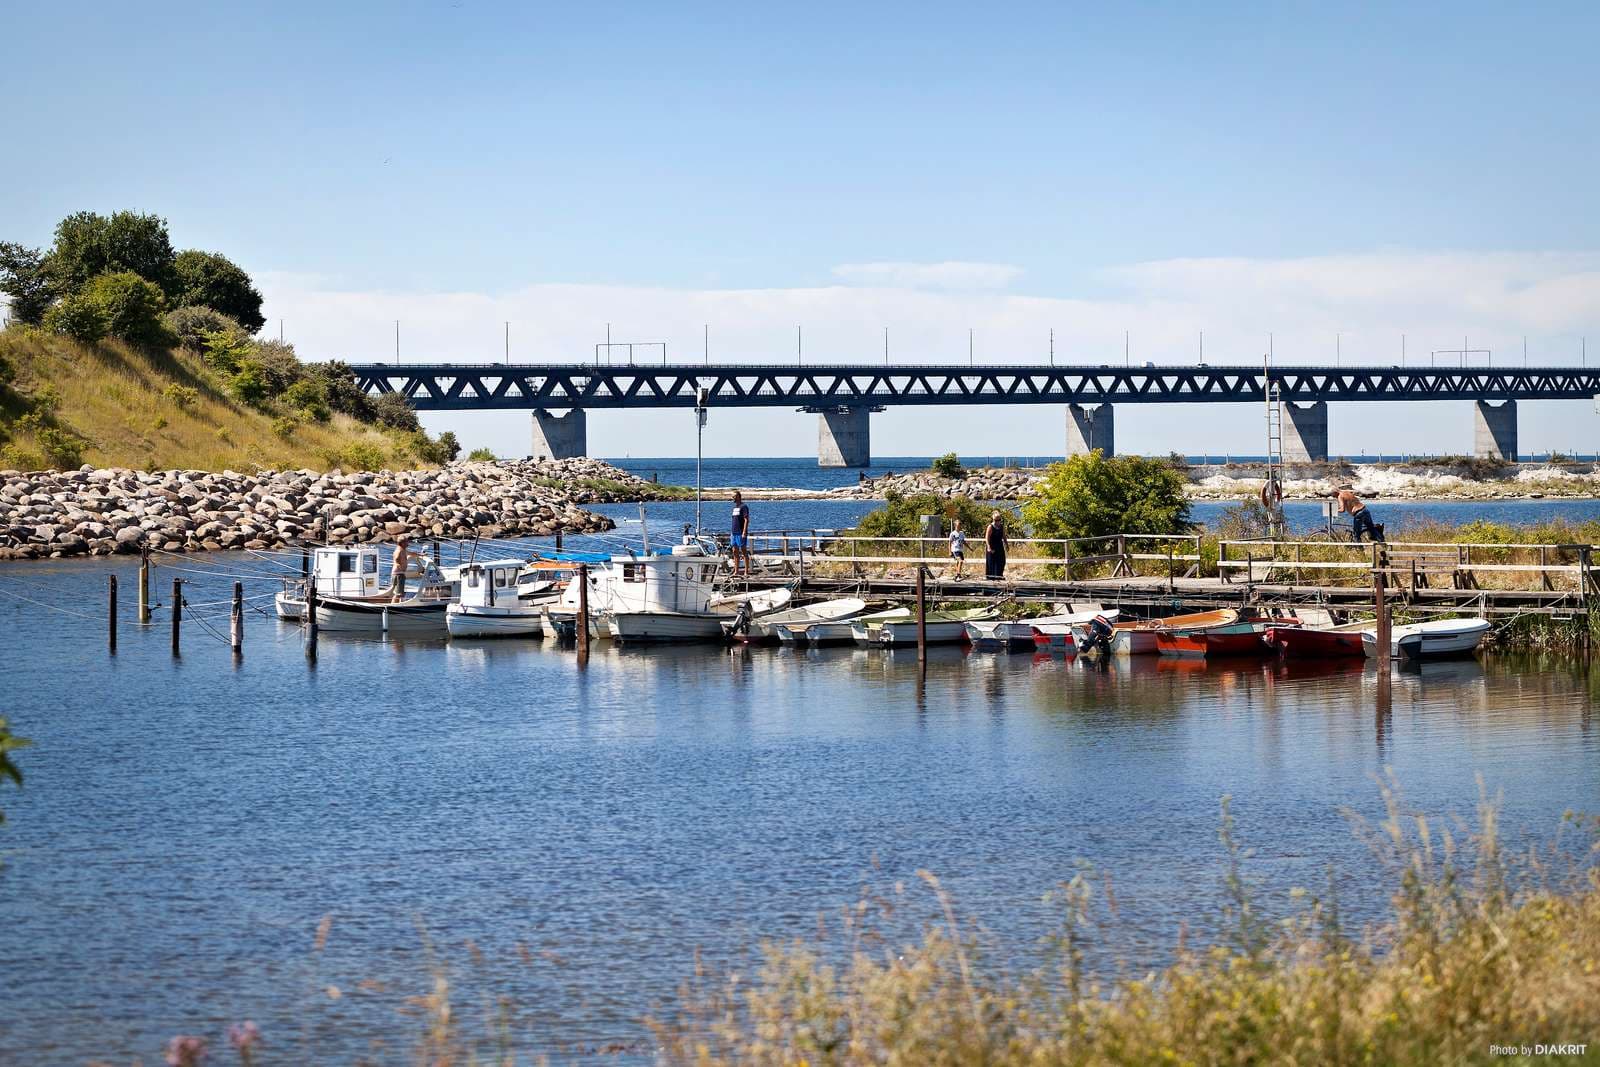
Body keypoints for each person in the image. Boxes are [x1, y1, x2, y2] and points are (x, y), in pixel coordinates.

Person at [729, 491, 752, 577]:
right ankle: (736, 571)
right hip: (734, 532)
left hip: (740, 532)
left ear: (738, 496)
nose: (732, 498)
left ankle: (746, 571)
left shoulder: (744, 507)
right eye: (732, 497)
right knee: (735, 551)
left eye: (734, 496)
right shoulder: (734, 508)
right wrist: (731, 532)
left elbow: (746, 519)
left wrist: (744, 531)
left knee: (743, 551)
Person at [984, 510, 1009, 580]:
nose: (997, 521)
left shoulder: (1001, 527)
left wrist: (1006, 544)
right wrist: (988, 547)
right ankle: (991, 577)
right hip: (992, 546)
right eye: (996, 520)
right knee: (992, 563)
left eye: (999, 520)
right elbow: (987, 538)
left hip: (999, 546)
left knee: (1002, 561)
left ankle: (999, 575)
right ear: (993, 519)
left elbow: (1004, 536)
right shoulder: (990, 527)